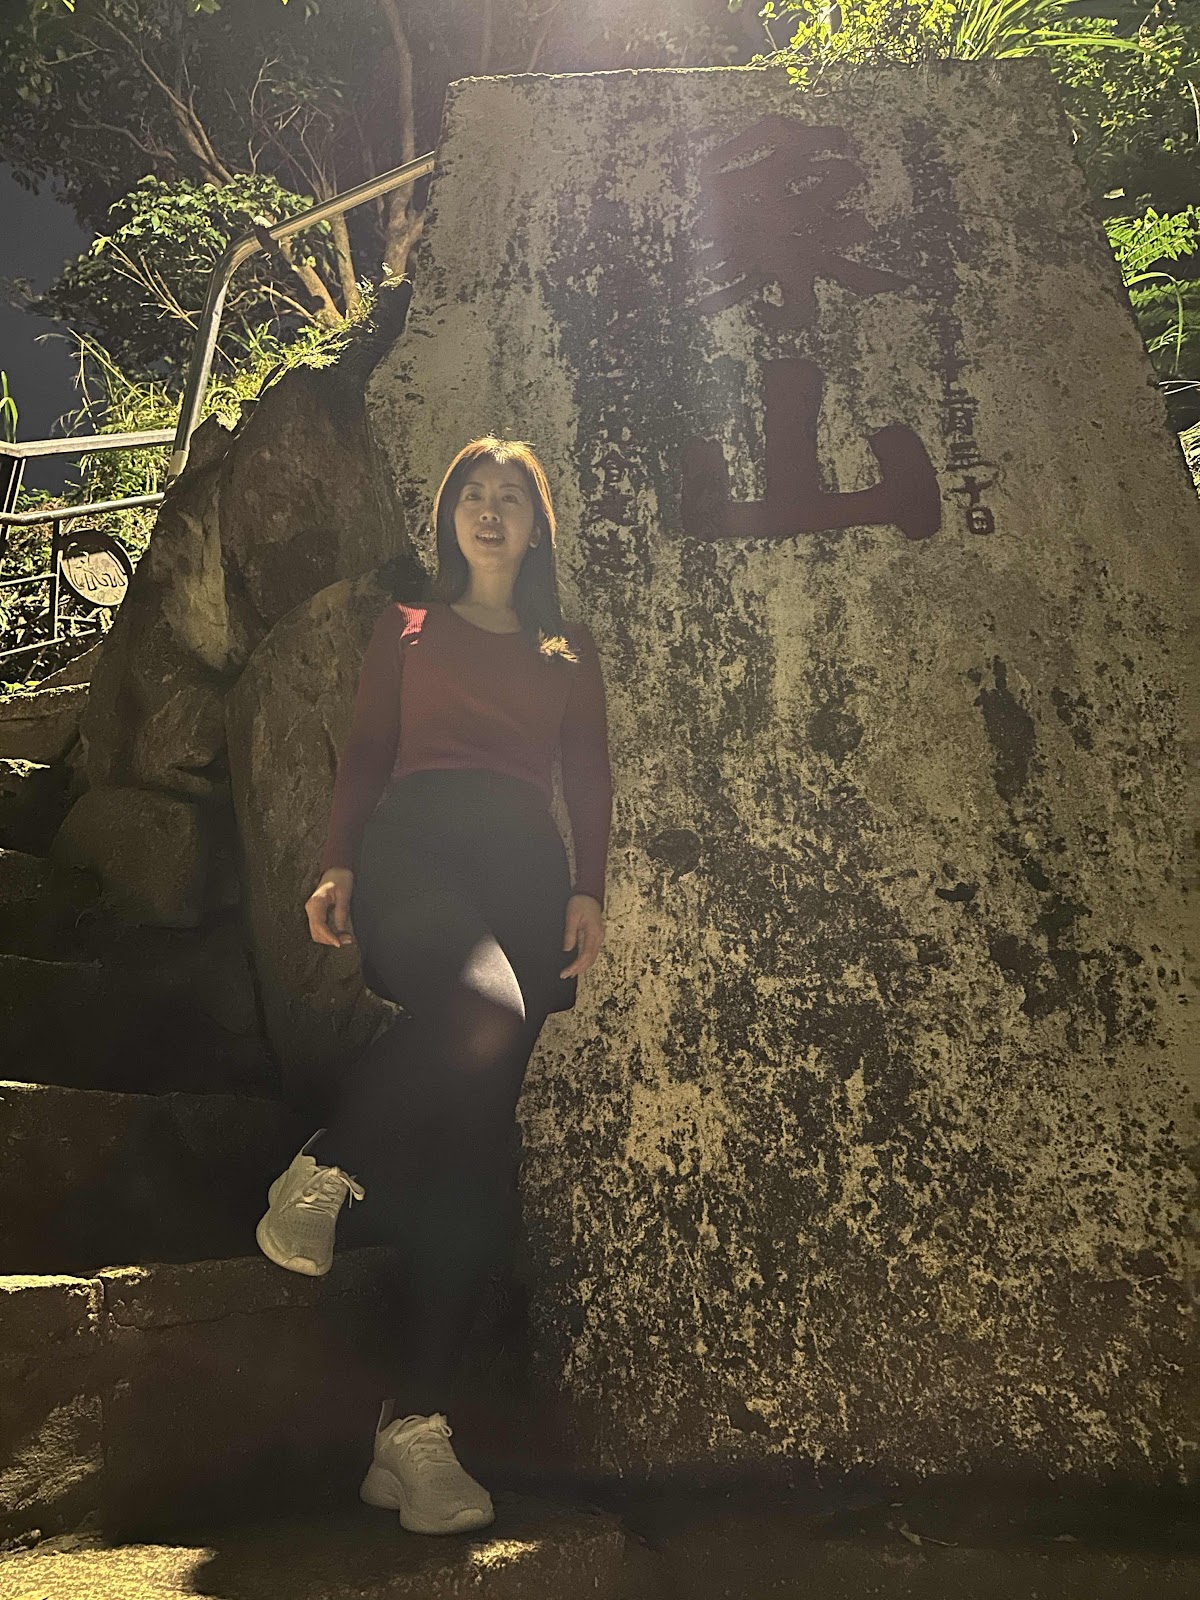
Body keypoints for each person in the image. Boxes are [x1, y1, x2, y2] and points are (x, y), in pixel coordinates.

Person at [254, 437, 612, 1537]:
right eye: (472, 494)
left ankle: (413, 1432)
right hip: (416, 849)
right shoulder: (407, 626)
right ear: (449, 515)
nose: (490, 511)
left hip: (524, 872)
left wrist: (588, 889)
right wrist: (339, 863)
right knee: (479, 1009)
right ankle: (328, 1162)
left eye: (511, 498)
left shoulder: (564, 646)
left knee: (477, 1151)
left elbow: (588, 771)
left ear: (538, 526)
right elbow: (367, 749)